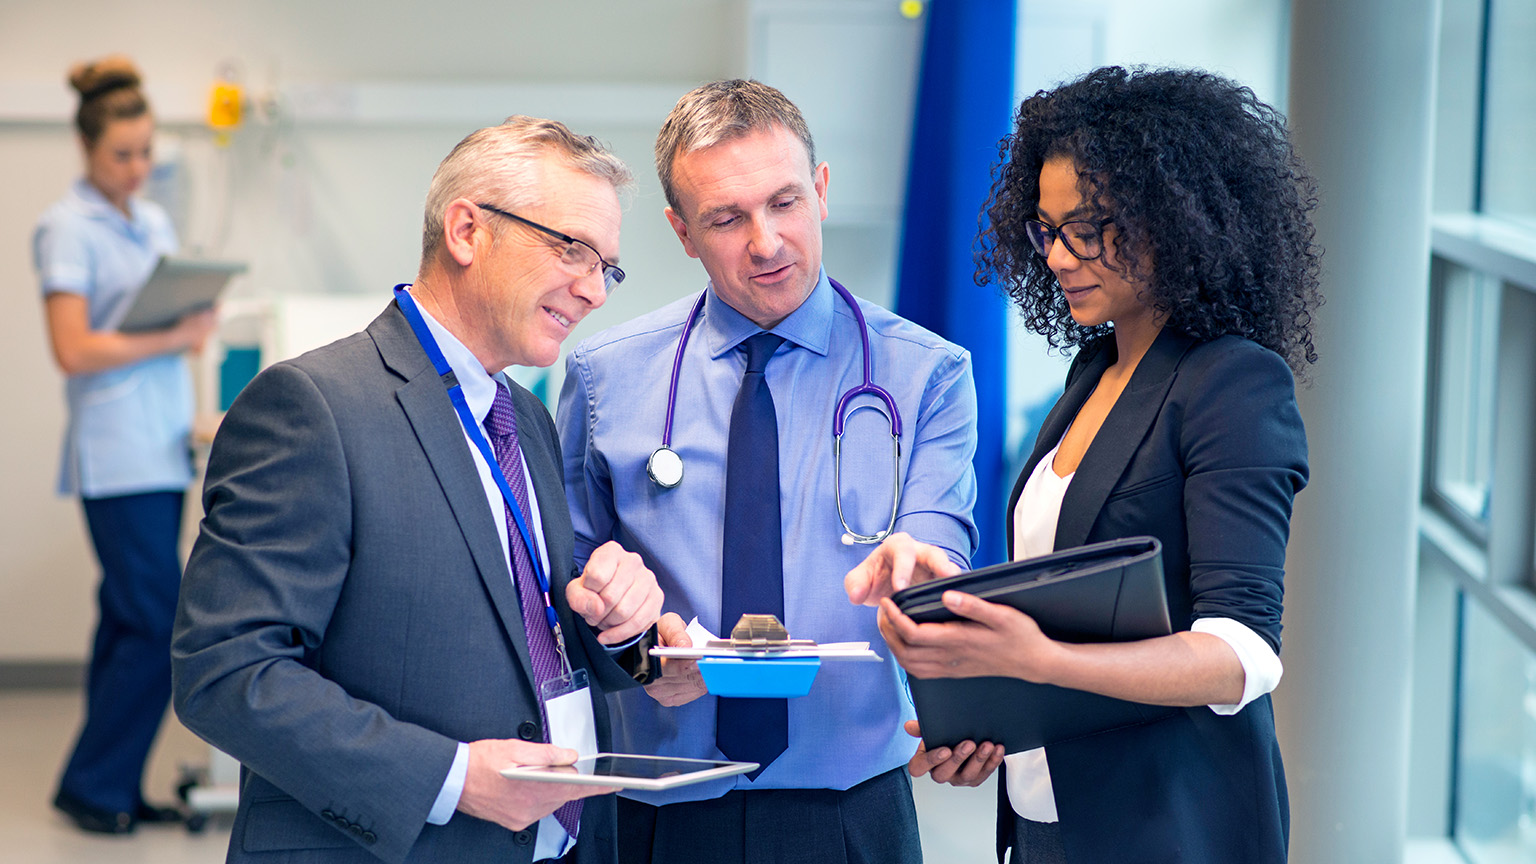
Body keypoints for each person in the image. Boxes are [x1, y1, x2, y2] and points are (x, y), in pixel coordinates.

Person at [845, 66, 1321, 864]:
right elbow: (1074, 607)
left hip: (1170, 827)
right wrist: (991, 719)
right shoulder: (1091, 374)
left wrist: (1037, 664)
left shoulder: (1231, 382)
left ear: (1177, 220)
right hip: (1044, 822)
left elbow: (1243, 652)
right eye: (1046, 228)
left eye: (1091, 227)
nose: (1062, 256)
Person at [172, 116, 665, 863]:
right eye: (573, 250)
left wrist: (625, 635)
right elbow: (227, 671)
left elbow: (527, 635)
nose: (595, 289)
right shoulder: (313, 408)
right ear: (467, 231)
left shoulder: (523, 416)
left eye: (608, 267)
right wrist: (454, 777)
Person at [557, 79, 980, 864]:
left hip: (852, 811)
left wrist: (930, 572)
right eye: (726, 217)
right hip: (657, 808)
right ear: (682, 232)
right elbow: (565, 581)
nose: (766, 241)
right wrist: (639, 650)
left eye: (784, 203)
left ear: (820, 192)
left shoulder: (927, 374)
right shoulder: (605, 377)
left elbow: (939, 536)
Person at [32, 55, 218, 835]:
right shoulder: (65, 227)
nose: (137, 168)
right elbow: (72, 348)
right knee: (155, 622)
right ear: (85, 148)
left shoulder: (153, 221)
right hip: (113, 456)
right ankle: (98, 780)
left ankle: (99, 784)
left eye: (145, 152)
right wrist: (173, 333)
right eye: (122, 154)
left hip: (160, 446)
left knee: (124, 621)